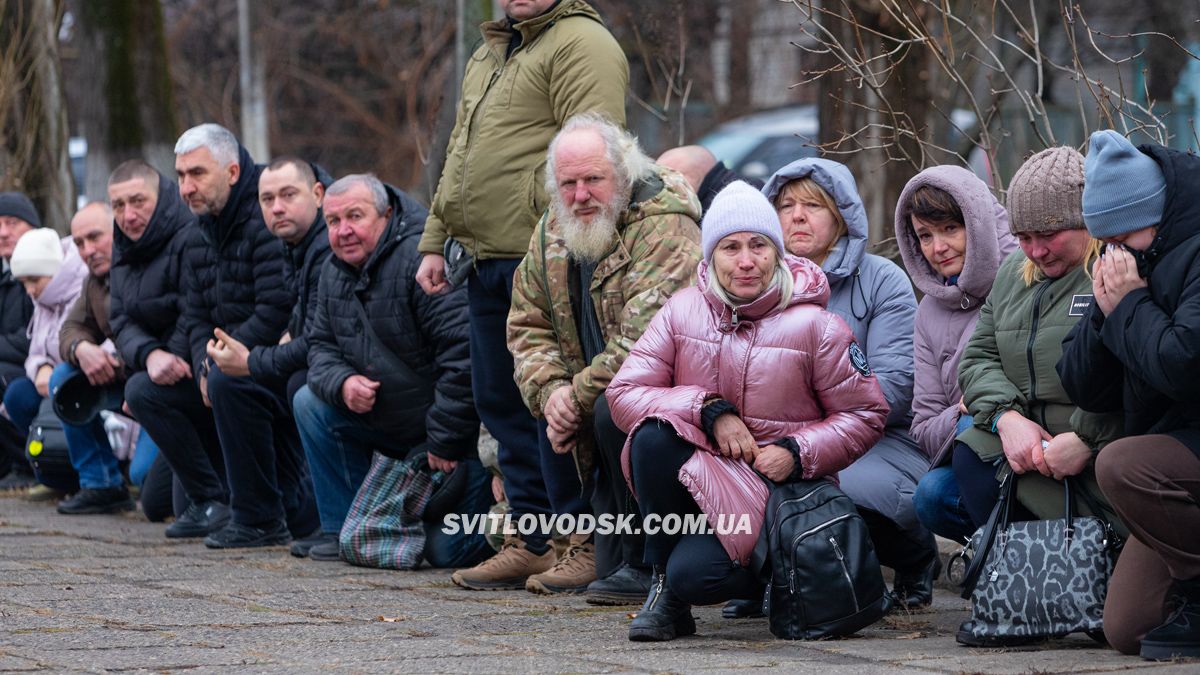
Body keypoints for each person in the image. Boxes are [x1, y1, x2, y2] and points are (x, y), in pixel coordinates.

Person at [607, 181, 888, 641]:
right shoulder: (681, 311)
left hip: (780, 495)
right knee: (652, 437)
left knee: (697, 576)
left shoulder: (816, 325)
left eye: (758, 246)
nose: (745, 261)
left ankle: (778, 573)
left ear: (776, 252)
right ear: (710, 257)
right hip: (705, 481)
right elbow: (624, 393)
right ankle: (663, 590)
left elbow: (866, 415)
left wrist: (797, 451)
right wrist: (707, 409)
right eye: (730, 247)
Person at [415, 0, 628, 589]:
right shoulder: (492, 50)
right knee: (501, 404)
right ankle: (530, 538)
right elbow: (460, 149)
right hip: (482, 256)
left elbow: (595, 154)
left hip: (544, 255)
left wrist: (559, 241)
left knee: (551, 403)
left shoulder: (581, 42)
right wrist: (436, 238)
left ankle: (581, 540)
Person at [503, 114, 702, 601]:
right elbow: (526, 322)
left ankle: (644, 560)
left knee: (608, 407)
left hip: (670, 396)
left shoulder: (665, 222)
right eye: (568, 184)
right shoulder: (553, 226)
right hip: (590, 394)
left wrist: (575, 392)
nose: (580, 195)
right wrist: (551, 392)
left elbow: (646, 339)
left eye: (593, 179)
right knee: (543, 406)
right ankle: (581, 541)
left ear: (623, 172)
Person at [762, 158, 934, 608]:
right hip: (774, 437)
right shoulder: (752, 282)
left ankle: (913, 556)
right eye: (786, 205)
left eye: (812, 206)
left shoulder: (881, 281)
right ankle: (767, 577)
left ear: (840, 215)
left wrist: (804, 424)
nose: (796, 215)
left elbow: (894, 389)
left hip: (876, 441)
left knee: (835, 485)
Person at [294, 174, 489, 567]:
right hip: (390, 424)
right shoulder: (332, 269)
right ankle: (342, 528)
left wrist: (444, 440)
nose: (344, 231)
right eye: (333, 222)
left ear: (386, 214)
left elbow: (465, 356)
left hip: (457, 439)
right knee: (309, 402)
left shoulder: (421, 261)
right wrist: (343, 382)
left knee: (444, 551)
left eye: (355, 216)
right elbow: (319, 348)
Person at [1059, 130, 1200, 660]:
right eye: (1107, 240)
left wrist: (1131, 306)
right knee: (1130, 628)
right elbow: (1084, 389)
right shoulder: (1129, 262)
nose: (1115, 251)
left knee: (1121, 464)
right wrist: (1105, 311)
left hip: (1178, 446)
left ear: (1157, 215)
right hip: (1175, 449)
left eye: (1126, 235)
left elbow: (1184, 366)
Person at [894, 166, 1016, 542]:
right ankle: (1006, 558)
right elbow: (924, 425)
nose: (938, 248)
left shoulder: (1025, 275)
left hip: (1035, 438)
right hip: (973, 452)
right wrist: (962, 409)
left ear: (977, 224)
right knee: (931, 496)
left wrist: (993, 404)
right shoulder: (928, 313)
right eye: (925, 236)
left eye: (950, 228)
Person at [103, 160, 200, 522]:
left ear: (159, 196)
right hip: (153, 371)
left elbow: (194, 309)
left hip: (190, 369)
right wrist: (150, 355)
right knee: (156, 503)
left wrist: (168, 358)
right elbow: (120, 319)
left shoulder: (189, 231)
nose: (128, 215)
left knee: (173, 502)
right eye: (118, 206)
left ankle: (216, 497)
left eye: (138, 201)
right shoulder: (123, 243)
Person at [53, 197, 136, 514]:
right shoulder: (95, 283)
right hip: (125, 379)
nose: (88, 250)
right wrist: (82, 349)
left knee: (149, 484)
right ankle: (101, 484)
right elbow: (69, 330)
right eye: (79, 243)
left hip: (158, 386)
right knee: (65, 379)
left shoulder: (145, 267)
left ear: (118, 230)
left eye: (95, 237)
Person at [1, 218, 90, 493]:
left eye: (34, 281)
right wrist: (40, 367)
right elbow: (36, 348)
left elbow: (89, 341)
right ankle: (52, 468)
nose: (30, 290)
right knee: (18, 393)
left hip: (81, 379)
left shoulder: (80, 287)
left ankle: (95, 476)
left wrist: (53, 367)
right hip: (46, 378)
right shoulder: (42, 295)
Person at [0, 192, 37, 488]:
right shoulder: (4, 275)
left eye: (12, 223)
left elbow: (35, 338)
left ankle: (27, 464)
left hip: (36, 372)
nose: (3, 232)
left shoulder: (44, 271)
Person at [655, 145, 757, 213]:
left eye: (669, 180)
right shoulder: (752, 188)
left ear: (695, 175)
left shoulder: (721, 207)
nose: (663, 190)